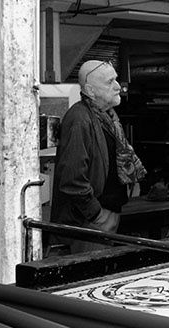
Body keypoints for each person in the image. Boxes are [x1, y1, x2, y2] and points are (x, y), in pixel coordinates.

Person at [48, 60, 146, 254]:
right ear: (91, 91)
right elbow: (72, 179)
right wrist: (96, 214)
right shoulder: (79, 119)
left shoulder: (108, 117)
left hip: (103, 217)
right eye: (110, 82)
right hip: (87, 224)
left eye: (116, 80)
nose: (118, 86)